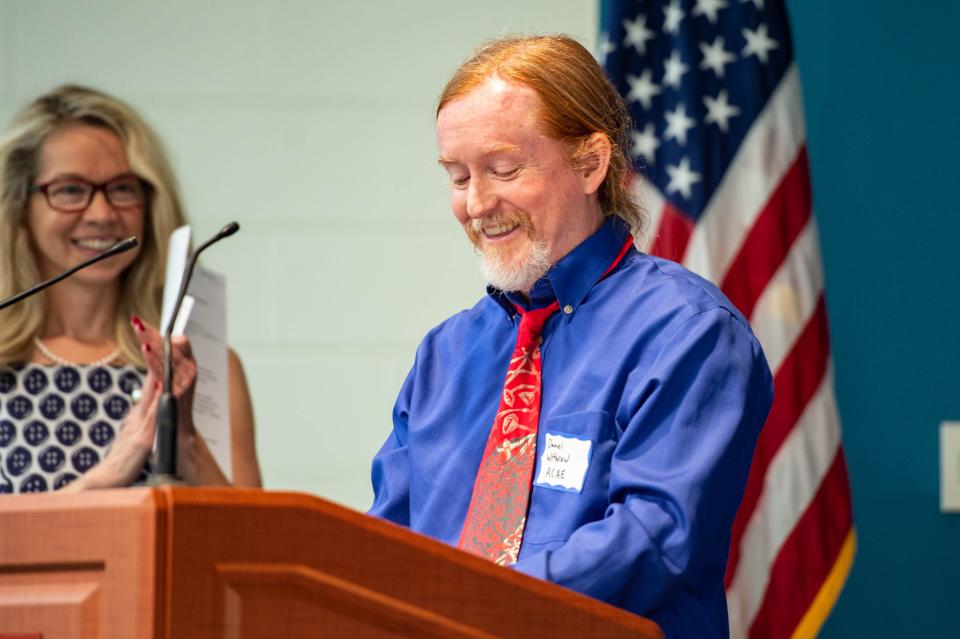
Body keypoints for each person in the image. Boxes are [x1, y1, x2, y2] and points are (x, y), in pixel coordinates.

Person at [368, 36, 773, 637]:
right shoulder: (443, 355)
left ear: (591, 163)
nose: (477, 204)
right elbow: (383, 547)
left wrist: (470, 606)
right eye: (458, 177)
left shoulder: (689, 333)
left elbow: (652, 536)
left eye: (503, 170)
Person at [0, 85, 261, 492]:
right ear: (18, 206)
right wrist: (104, 480)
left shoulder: (203, 366)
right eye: (70, 190)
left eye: (122, 189)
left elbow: (257, 550)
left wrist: (186, 444)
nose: (102, 214)